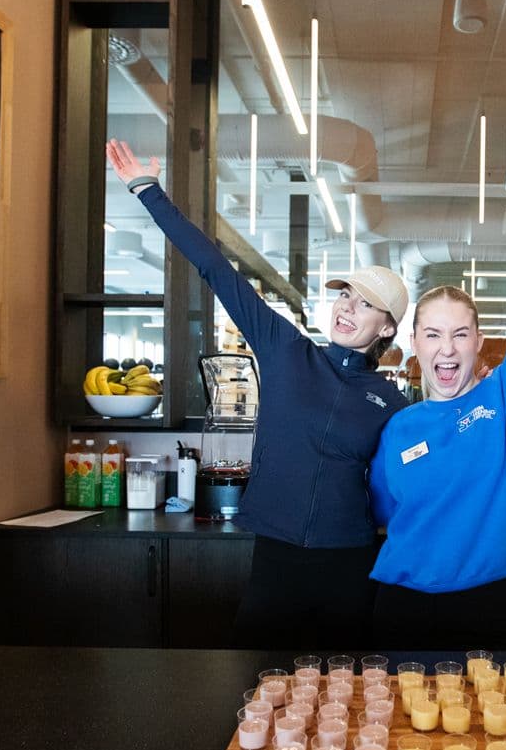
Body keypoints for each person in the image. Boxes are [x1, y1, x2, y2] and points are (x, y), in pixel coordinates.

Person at [105, 139, 409, 650]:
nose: (346, 309)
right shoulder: (287, 349)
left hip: (349, 563)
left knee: (347, 701)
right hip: (276, 556)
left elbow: (405, 484)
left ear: (387, 329)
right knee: (256, 690)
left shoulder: (392, 402)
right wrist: (147, 190)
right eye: (344, 295)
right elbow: (216, 270)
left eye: (366, 305)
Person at [366, 131, 506, 650]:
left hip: (492, 607)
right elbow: (380, 509)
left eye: (460, 334)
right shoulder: (399, 427)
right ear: (415, 343)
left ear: (478, 343)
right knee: (400, 732)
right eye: (433, 334)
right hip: (401, 608)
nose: (447, 349)